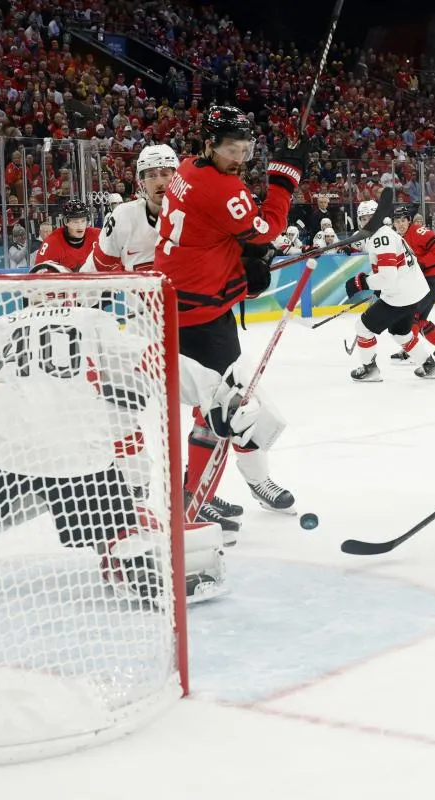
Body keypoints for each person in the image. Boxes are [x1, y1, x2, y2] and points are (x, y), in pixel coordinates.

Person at [0, 288, 263, 603]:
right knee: (121, 521)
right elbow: (152, 359)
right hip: (77, 453)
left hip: (1, 448)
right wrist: (217, 397)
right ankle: (135, 560)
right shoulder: (92, 321)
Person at [152, 105, 308, 520]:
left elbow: (213, 233)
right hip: (200, 317)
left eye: (246, 148)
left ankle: (217, 487)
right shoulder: (222, 189)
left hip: (183, 305)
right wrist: (283, 179)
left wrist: (241, 265)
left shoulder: (189, 168)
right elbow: (265, 227)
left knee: (227, 402)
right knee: (231, 409)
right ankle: (194, 499)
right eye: (231, 149)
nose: (239, 157)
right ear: (209, 144)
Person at [81, 143, 244, 534]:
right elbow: (95, 274)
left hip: (199, 327)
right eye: (151, 175)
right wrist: (75, 315)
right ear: (139, 182)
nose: (160, 181)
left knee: (222, 406)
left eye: (167, 172)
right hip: (145, 333)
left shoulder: (202, 210)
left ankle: (195, 494)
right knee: (120, 413)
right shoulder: (123, 218)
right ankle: (132, 508)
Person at [343, 199, 435, 382]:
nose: (367, 221)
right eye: (363, 218)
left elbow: (387, 277)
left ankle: (369, 370)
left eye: (370, 217)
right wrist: (378, 286)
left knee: (363, 327)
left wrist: (361, 283)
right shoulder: (387, 233)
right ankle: (429, 366)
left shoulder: (381, 238)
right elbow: (391, 271)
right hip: (411, 292)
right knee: (400, 333)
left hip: (400, 295)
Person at [390, 205, 435, 361]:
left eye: (403, 220)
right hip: (422, 281)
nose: (400, 224)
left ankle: (410, 350)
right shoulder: (399, 239)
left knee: (411, 315)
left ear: (409, 221)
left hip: (433, 278)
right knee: (419, 319)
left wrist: (421, 263)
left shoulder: (418, 231)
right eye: (397, 221)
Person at [32, 200, 100, 272]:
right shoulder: (52, 241)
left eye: (83, 221)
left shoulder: (98, 235)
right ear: (65, 222)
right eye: (75, 221)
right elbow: (38, 272)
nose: (80, 226)